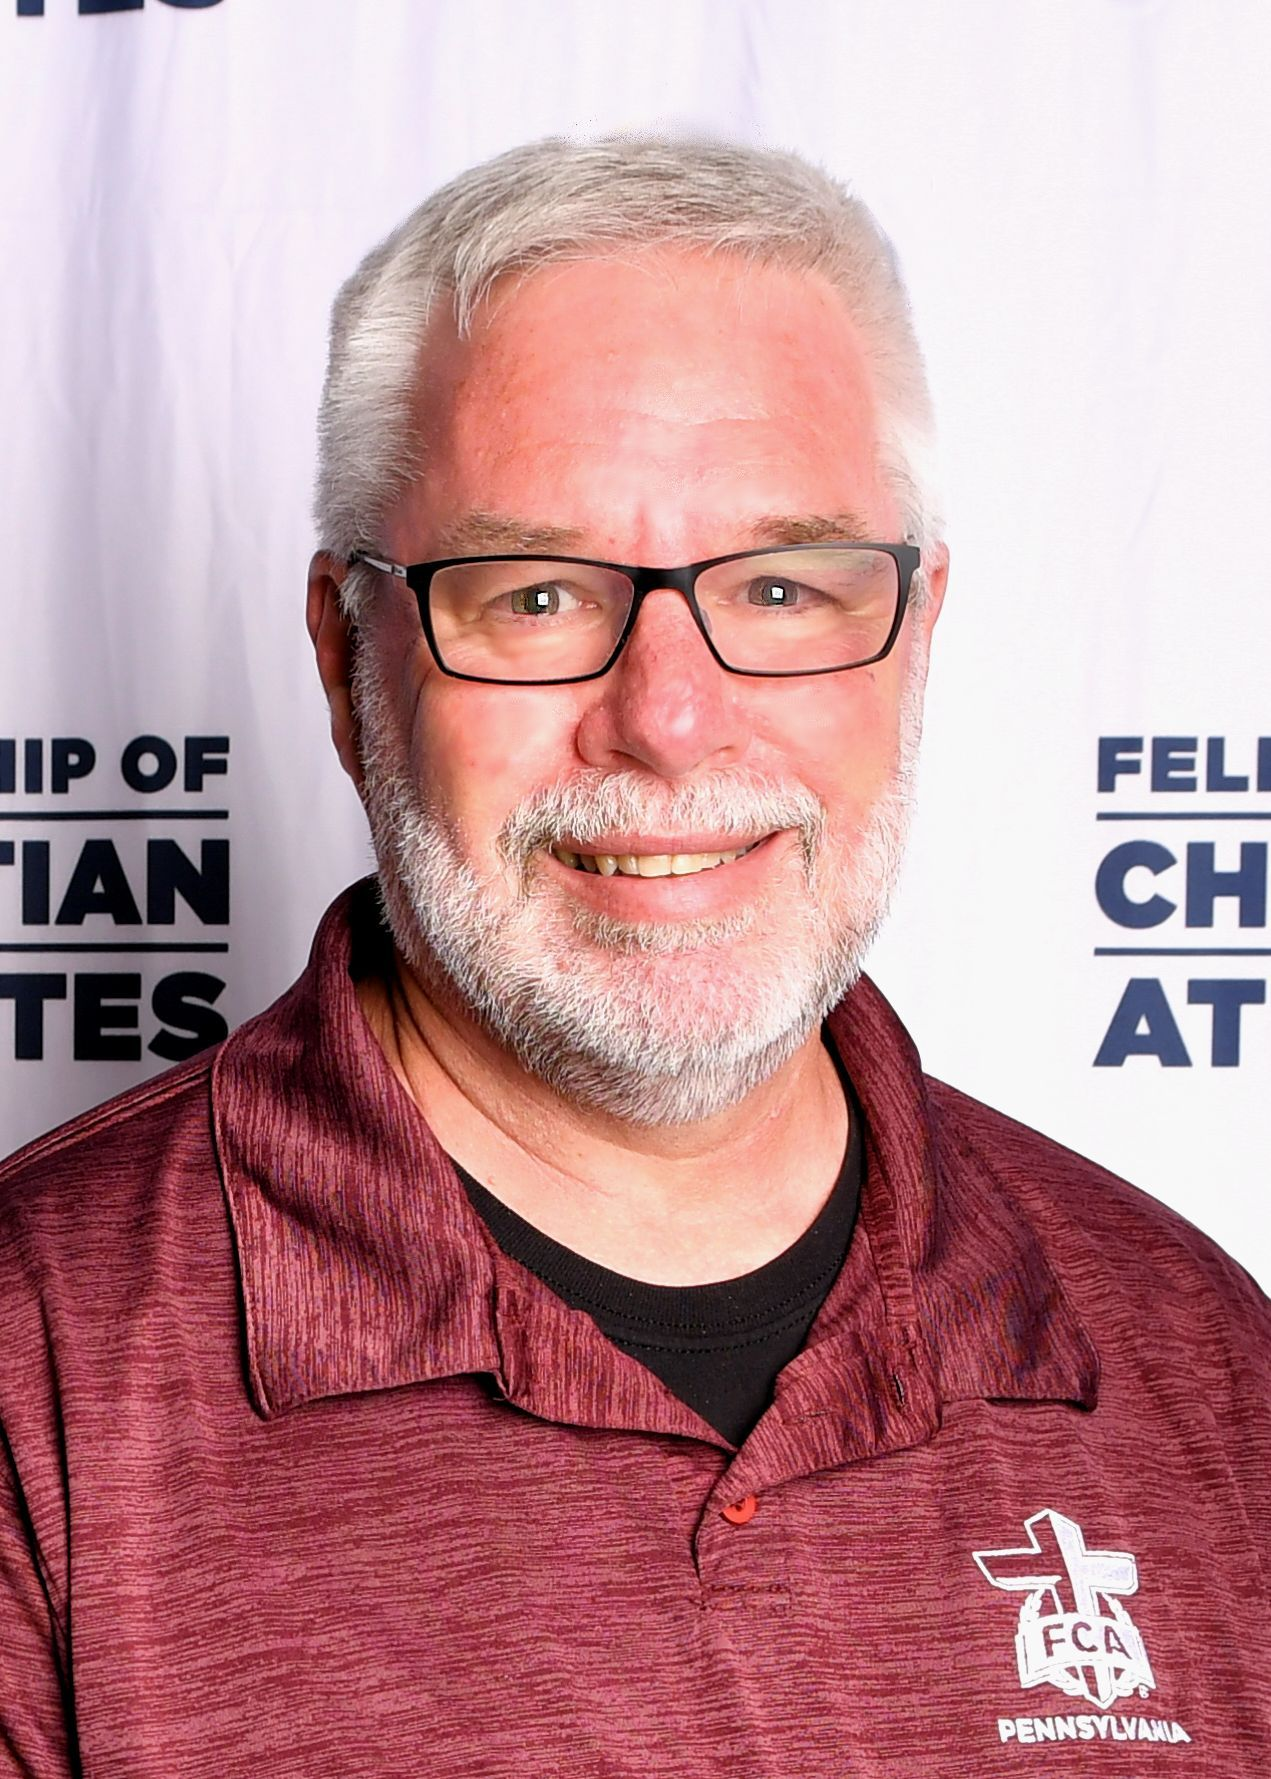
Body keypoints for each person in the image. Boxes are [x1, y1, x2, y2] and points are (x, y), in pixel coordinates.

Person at [1, 137, 1267, 1777]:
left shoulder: (1195, 1358)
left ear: (914, 639)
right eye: (536, 595)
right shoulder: (32, 1377)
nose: (668, 719)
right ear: (346, 660)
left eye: (781, 586)